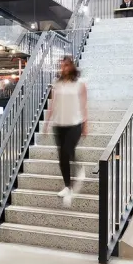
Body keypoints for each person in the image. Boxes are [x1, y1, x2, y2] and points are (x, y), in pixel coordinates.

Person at [44, 56, 88, 207]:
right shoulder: (57, 84)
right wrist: (47, 123)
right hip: (59, 124)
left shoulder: (80, 84)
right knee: (62, 157)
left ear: (72, 67)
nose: (63, 68)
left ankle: (78, 169)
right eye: (61, 66)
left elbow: (84, 105)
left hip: (75, 124)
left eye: (66, 65)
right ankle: (67, 186)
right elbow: (53, 104)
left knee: (67, 151)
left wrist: (85, 124)